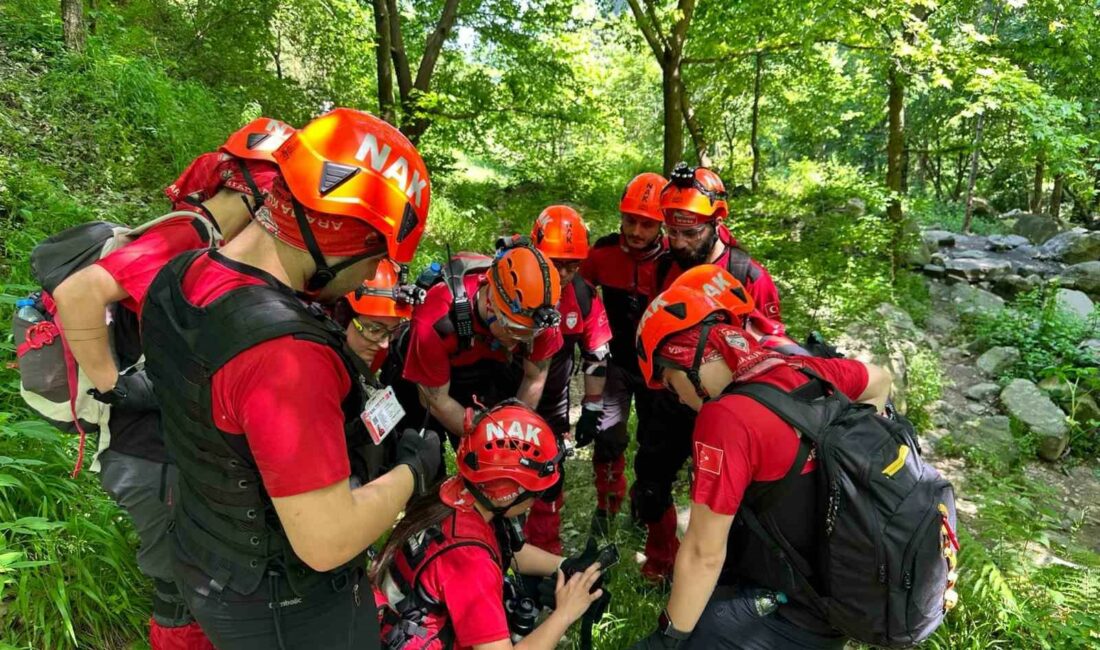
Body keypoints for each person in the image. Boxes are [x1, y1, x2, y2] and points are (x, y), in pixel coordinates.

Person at [139, 108, 442, 650]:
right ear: (342, 232)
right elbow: (326, 540)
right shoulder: (287, 356)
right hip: (285, 602)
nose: (373, 275)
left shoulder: (181, 276)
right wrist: (413, 471)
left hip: (206, 553)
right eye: (375, 255)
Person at [50, 117, 292, 649]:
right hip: (147, 450)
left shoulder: (209, 242)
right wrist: (114, 385)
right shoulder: (185, 235)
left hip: (165, 447)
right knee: (178, 583)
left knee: (193, 576)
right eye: (281, 197)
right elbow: (77, 295)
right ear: (252, 189)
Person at [629, 286, 892, 649]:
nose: (679, 400)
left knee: (699, 635)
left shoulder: (724, 419)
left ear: (688, 360)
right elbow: (880, 379)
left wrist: (668, 637)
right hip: (843, 589)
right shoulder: (805, 368)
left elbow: (704, 553)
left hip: (793, 610)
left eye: (672, 386)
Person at [633, 164, 789, 583]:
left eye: (691, 233)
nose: (680, 243)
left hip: (731, 408)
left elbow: (773, 347)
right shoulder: (668, 266)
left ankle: (725, 577)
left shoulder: (749, 277)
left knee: (732, 500)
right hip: (672, 397)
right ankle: (661, 562)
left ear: (717, 222)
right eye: (673, 232)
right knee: (650, 480)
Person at [372, 400, 606, 650]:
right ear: (507, 493)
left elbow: (509, 551)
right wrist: (566, 614)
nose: (534, 501)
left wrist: (564, 565)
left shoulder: (458, 496)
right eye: (533, 494)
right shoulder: (472, 562)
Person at [392, 239, 563, 445]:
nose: (514, 343)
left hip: (486, 365)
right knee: (425, 451)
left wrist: (512, 435)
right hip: (428, 376)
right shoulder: (435, 319)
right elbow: (436, 401)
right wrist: (488, 441)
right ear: (491, 305)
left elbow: (534, 378)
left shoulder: (541, 319)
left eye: (528, 336)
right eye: (513, 331)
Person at [579, 172, 666, 537]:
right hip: (615, 363)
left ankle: (643, 508)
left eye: (647, 224)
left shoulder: (672, 263)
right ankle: (607, 505)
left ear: (661, 225)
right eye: (631, 220)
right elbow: (579, 297)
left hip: (657, 370)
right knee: (608, 435)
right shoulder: (602, 253)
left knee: (653, 441)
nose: (636, 231)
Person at [525, 205, 612, 554]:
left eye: (571, 265)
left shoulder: (584, 297)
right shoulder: (511, 278)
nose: (562, 273)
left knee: (548, 477)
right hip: (502, 389)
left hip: (551, 399)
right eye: (555, 263)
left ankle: (545, 555)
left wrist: (592, 407)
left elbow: (596, 354)